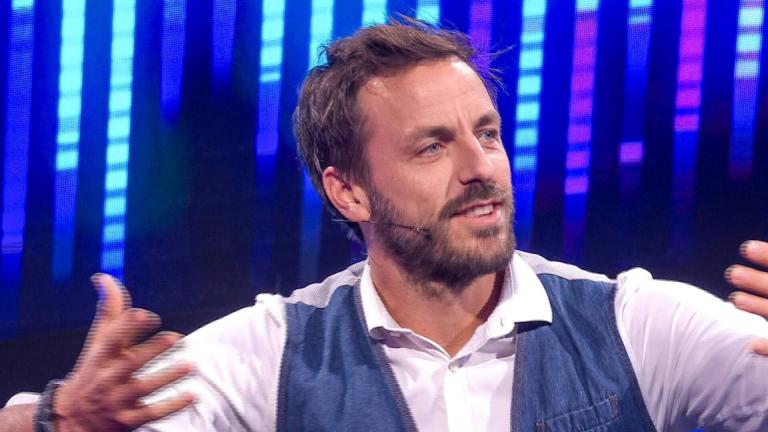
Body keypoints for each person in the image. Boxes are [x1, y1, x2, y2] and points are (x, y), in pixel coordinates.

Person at [3, 19, 768, 431]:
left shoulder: (636, 324)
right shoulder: (272, 354)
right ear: (348, 191)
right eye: (433, 146)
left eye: (488, 133)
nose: (480, 167)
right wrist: (60, 419)